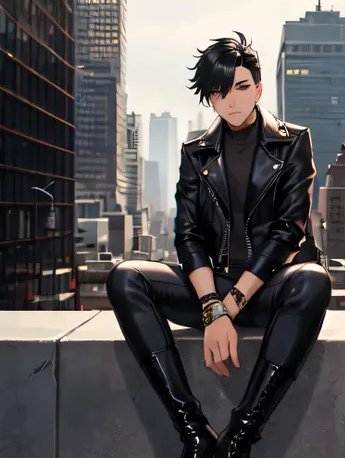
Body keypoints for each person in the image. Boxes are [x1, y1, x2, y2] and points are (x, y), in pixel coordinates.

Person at [106, 32, 332, 458]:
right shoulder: (197, 152)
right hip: (213, 290)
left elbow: (289, 230)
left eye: (242, 87)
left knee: (314, 281)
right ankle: (193, 430)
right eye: (219, 92)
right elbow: (187, 234)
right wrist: (212, 305)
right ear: (209, 98)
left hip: (269, 289)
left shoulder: (293, 141)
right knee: (124, 277)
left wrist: (229, 307)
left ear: (259, 87)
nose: (232, 101)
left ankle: (240, 437)